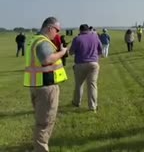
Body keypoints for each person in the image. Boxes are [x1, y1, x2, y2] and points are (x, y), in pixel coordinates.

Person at [24, 17, 68, 152]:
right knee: (44, 123)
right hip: (46, 88)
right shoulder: (43, 42)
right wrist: (62, 52)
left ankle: (39, 147)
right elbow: (46, 59)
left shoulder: (34, 40)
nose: (57, 33)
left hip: (37, 85)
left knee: (42, 122)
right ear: (50, 28)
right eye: (57, 30)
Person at [69, 24, 102, 112]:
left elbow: (71, 52)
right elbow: (100, 50)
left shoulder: (77, 39)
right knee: (92, 85)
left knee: (79, 84)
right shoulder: (95, 37)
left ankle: (76, 102)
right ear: (88, 30)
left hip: (80, 64)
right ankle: (93, 106)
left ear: (80, 31)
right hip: (93, 63)